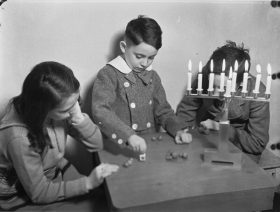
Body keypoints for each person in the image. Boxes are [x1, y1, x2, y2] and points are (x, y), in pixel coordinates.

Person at [0, 61, 119, 210]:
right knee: (99, 206)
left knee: (106, 199)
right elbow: (38, 193)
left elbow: (97, 144)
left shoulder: (61, 111)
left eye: (76, 102)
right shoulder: (19, 138)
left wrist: (78, 118)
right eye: (67, 109)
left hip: (53, 172)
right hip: (21, 196)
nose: (74, 109)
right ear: (42, 110)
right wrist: (87, 183)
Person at [91, 15, 192, 154]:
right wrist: (128, 136)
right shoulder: (108, 74)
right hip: (119, 146)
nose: (145, 63)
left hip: (149, 143)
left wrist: (178, 130)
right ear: (123, 47)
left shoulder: (153, 76)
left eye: (151, 57)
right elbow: (100, 111)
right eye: (139, 56)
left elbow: (163, 111)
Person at [176, 41, 270, 159]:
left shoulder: (258, 91)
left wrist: (221, 128)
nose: (215, 94)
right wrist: (183, 131)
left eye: (223, 88)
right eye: (212, 85)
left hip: (241, 144)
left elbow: (257, 144)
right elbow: (186, 110)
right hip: (209, 136)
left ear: (241, 82)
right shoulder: (205, 77)